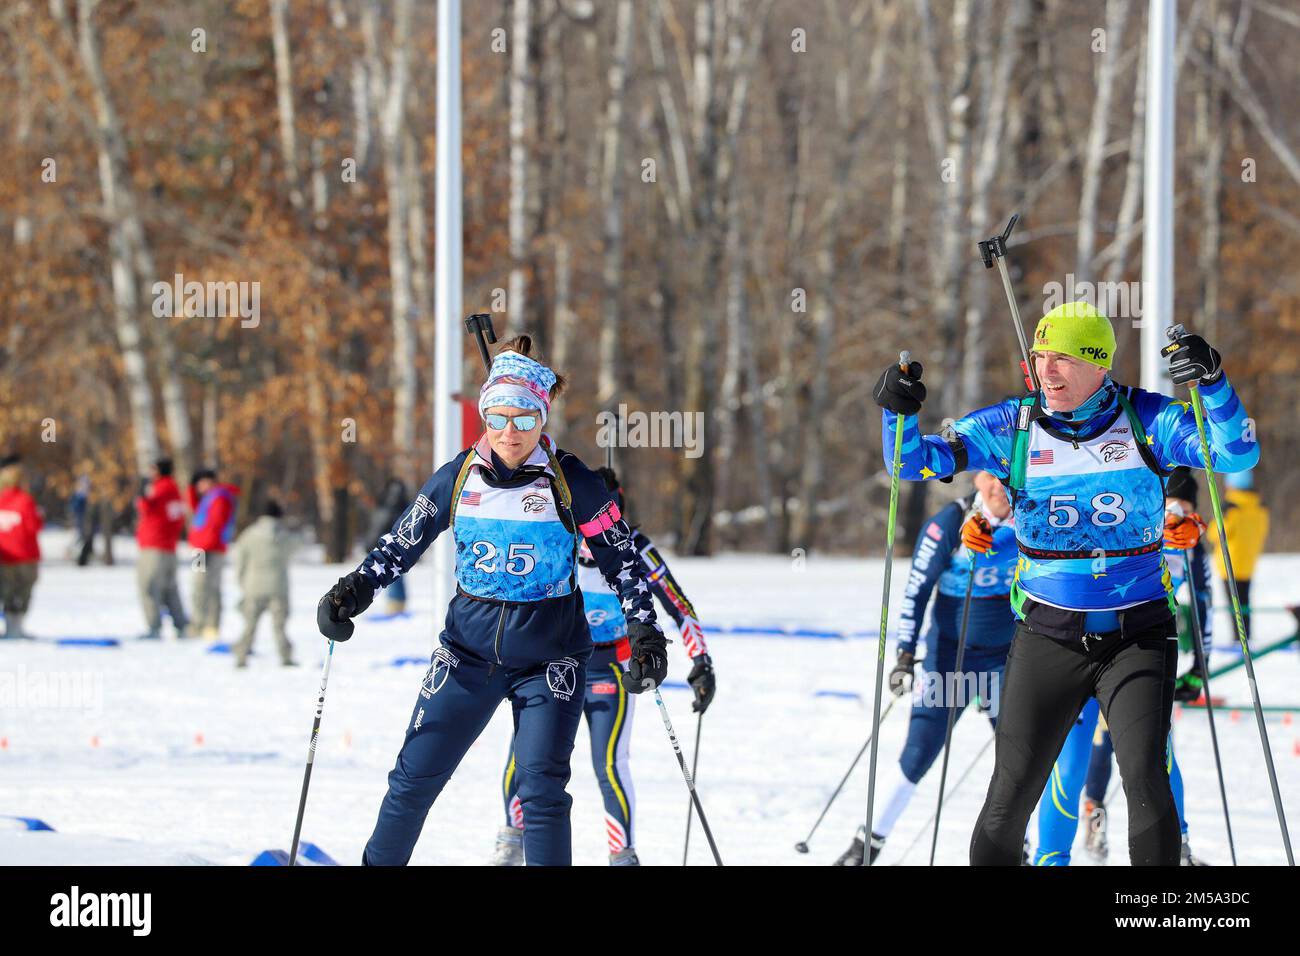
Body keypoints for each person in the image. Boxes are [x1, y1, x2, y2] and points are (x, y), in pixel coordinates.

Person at [872, 300, 1257, 865]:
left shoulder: (1149, 419)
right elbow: (911, 463)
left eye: (1066, 359)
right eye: (1041, 356)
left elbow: (1236, 450)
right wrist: (898, 412)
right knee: (1011, 791)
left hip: (1138, 635)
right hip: (1046, 634)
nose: (1047, 370)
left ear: (1101, 365)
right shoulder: (1010, 426)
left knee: (1145, 778)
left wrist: (1214, 383)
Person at [318, 337, 666, 866]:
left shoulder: (574, 483)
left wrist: (644, 630)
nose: (510, 432)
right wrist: (356, 590)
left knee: (542, 793)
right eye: (497, 417)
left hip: (550, 662)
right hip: (466, 657)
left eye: (525, 419)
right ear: (483, 416)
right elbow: (402, 544)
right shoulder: (458, 477)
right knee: (413, 779)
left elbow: (622, 563)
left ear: (542, 419)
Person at [492, 465, 716, 866]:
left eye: (610, 511)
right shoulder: (559, 537)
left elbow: (678, 607)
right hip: (554, 665)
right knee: (526, 755)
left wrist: (700, 660)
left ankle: (622, 856)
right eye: (591, 512)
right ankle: (511, 840)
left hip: (610, 668)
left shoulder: (635, 550)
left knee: (609, 764)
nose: (599, 525)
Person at [834, 471, 1017, 866]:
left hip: (1005, 659)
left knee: (1021, 759)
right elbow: (916, 592)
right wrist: (904, 655)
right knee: (919, 751)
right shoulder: (949, 524)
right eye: (993, 477)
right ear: (979, 480)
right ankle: (865, 846)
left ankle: (1019, 848)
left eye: (1009, 475)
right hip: (950, 660)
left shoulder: (1032, 519)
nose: (1001, 487)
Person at [1072, 467, 1213, 866]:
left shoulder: (1191, 540)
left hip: (1150, 646)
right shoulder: (1134, 521)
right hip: (1099, 643)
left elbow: (1203, 605)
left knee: (1156, 750)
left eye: (1184, 507)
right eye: (1170, 504)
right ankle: (1092, 811)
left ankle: (1178, 845)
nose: (1175, 514)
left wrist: (1199, 668)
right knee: (1101, 735)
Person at [1204, 468, 1269, 642]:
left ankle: (1239, 640)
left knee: (1235, 606)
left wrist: (1221, 516)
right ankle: (1247, 637)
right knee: (1245, 602)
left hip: (1230, 564)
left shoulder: (1231, 508)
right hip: (1249, 562)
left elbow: (1213, 535)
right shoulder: (1259, 507)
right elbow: (1261, 533)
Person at [231, 499, 296, 668]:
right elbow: (296, 547)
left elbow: (240, 562)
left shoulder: (249, 534)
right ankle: (286, 656)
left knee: (249, 625)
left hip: (254, 585)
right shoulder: (284, 536)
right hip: (278, 586)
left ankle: (241, 656)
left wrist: (242, 583)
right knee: (279, 626)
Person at [135, 458, 189, 640]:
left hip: (156, 546)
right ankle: (182, 625)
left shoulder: (161, 488)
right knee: (170, 588)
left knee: (149, 586)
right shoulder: (175, 490)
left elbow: (146, 507)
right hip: (173, 547)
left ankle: (154, 627)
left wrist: (142, 494)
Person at [186, 468, 240, 642]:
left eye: (200, 483)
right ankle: (199, 623)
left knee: (208, 587)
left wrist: (202, 544)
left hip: (209, 550)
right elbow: (194, 506)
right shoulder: (209, 498)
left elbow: (215, 525)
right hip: (201, 549)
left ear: (209, 481)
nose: (198, 488)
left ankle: (209, 625)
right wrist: (189, 489)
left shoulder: (219, 498)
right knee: (198, 587)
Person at [0, 455, 43, 640]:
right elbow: (33, 526)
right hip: (24, 556)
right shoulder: (25, 500)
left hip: (4, 557)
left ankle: (11, 629)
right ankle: (15, 629)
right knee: (22, 593)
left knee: (7, 593)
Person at [364, 478, 410, 615]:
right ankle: (397, 602)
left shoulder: (387, 504)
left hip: (390, 544)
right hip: (396, 544)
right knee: (394, 573)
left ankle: (396, 603)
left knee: (392, 572)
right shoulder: (401, 504)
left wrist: (371, 542)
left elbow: (378, 524)